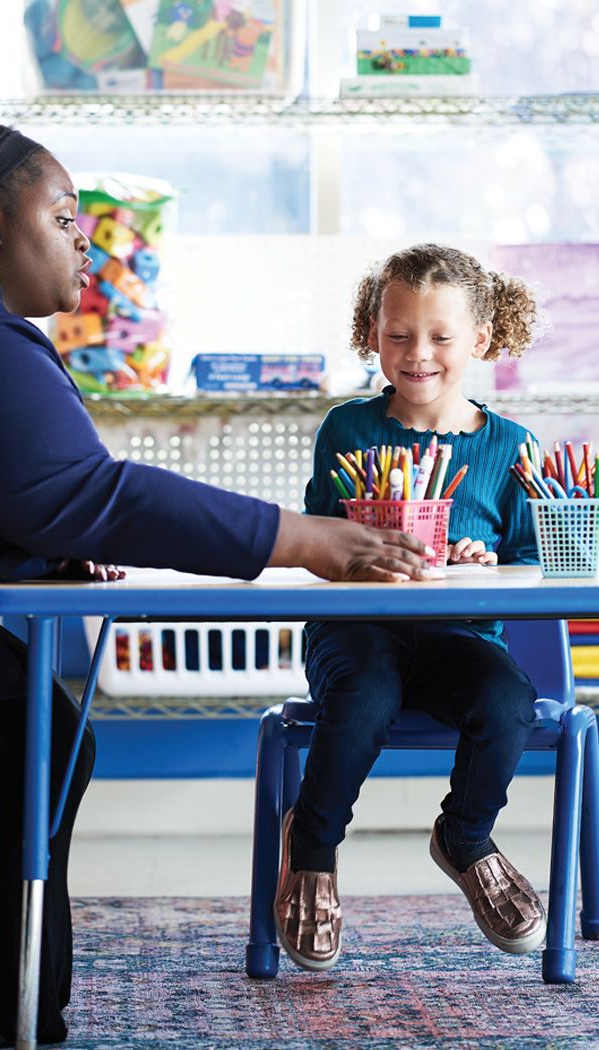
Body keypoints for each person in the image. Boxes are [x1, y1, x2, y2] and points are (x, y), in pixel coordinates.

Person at [0, 112, 438, 1049]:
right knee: (13, 752)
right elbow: (83, 491)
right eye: (65, 216)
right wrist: (302, 540)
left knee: (32, 744)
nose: (84, 241)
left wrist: (39, 545)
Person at [274, 243, 546, 973]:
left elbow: (530, 565)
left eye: (439, 337)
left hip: (459, 638)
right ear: (372, 333)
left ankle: (464, 836)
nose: (416, 354)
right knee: (364, 694)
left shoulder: (513, 447)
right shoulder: (348, 431)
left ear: (481, 341)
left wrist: (487, 562)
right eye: (397, 334)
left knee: (509, 698)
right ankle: (314, 847)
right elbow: (316, 539)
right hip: (357, 632)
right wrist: (361, 548)